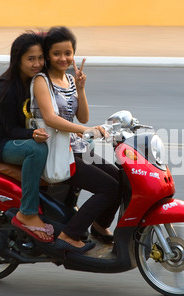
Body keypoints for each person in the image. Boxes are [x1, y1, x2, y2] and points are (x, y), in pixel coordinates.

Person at [32, 26, 120, 253]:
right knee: (108, 188)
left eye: (68, 53)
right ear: (48, 55)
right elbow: (50, 119)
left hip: (75, 147)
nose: (63, 58)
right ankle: (70, 235)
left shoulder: (69, 80)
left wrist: (80, 88)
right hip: (56, 150)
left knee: (121, 179)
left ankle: (100, 227)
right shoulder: (42, 81)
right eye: (57, 53)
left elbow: (82, 116)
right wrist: (85, 130)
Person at [0, 32, 54, 243]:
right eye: (30, 59)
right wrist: (32, 134)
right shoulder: (5, 88)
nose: (37, 63)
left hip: (26, 137)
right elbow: (10, 129)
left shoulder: (39, 82)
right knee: (37, 150)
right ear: (18, 60)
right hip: (3, 142)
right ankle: (27, 212)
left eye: (40, 58)